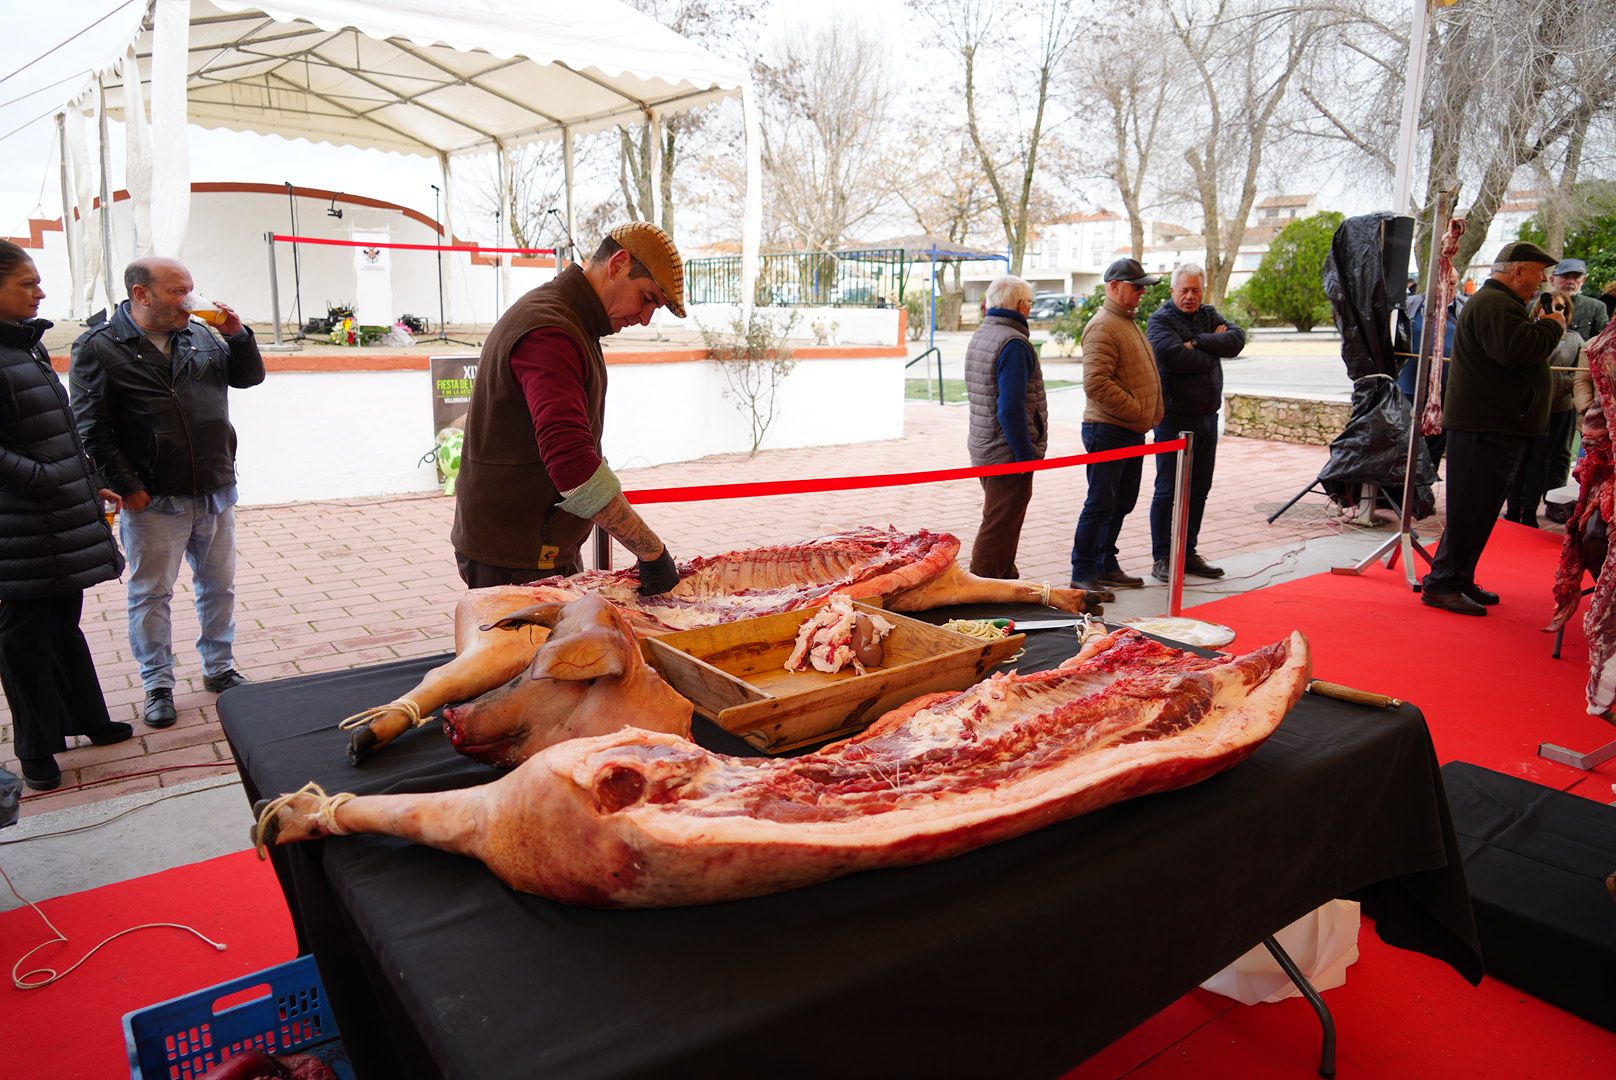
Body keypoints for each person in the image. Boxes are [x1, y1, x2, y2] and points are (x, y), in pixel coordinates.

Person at [71, 257, 265, 727]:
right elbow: (91, 427)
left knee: (218, 586)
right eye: (178, 291)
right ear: (142, 294)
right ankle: (157, 682)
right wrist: (127, 487)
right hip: (154, 497)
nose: (190, 300)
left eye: (190, 289)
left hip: (215, 485)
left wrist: (238, 335)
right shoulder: (99, 347)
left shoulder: (199, 333)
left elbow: (247, 377)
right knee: (151, 594)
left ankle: (219, 668)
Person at [451, 223, 686, 594]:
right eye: (648, 299)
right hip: (516, 557)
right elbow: (573, 463)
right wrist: (652, 552)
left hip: (537, 547)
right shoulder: (551, 330)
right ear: (619, 264)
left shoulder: (572, 321)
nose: (645, 318)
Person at [0, 241, 130, 790]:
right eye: (27, 283)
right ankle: (35, 748)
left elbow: (53, 429)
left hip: (56, 514)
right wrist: (46, 478)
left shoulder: (23, 345)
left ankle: (87, 719)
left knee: (61, 623)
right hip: (19, 524)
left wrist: (86, 477)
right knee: (20, 637)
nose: (41, 291)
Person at [1421, 241, 1565, 616]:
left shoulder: (1500, 303)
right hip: (1484, 426)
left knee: (1480, 509)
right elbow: (1516, 351)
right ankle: (1443, 583)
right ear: (1517, 271)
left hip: (1494, 424)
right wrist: (1552, 327)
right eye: (1539, 273)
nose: (1542, 282)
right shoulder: (1494, 303)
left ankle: (1459, 577)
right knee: (1471, 508)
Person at [1069, 258, 1164, 592]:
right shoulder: (1104, 325)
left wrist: (1141, 415)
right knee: (1100, 503)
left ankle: (1105, 563)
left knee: (1121, 502)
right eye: (1136, 286)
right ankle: (1082, 571)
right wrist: (1138, 410)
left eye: (1143, 287)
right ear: (1114, 286)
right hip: (1108, 429)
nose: (1141, 292)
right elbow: (1096, 383)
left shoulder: (1124, 321)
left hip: (1127, 429)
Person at [1145, 263, 1244, 583]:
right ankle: (1162, 557)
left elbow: (1237, 340)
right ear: (1173, 290)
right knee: (1168, 489)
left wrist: (1199, 342)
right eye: (1184, 290)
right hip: (1174, 418)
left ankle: (1187, 552)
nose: (1190, 296)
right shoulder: (1161, 320)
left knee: (1199, 489)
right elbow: (1174, 357)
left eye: (1196, 290)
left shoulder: (1208, 314)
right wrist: (1213, 347)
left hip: (1207, 418)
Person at [964, 274, 1046, 578]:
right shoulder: (1014, 343)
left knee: (1004, 519)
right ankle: (983, 585)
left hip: (985, 442)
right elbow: (1010, 407)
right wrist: (1025, 454)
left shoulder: (984, 333)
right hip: (1006, 450)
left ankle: (1005, 578)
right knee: (999, 523)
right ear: (1022, 305)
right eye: (1031, 304)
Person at [1504, 290, 1583, 527]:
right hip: (1526, 407)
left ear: (1567, 314)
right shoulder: (1530, 334)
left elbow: (1577, 374)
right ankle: (1512, 508)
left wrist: (1559, 384)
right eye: (1551, 306)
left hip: (1558, 408)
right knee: (1519, 459)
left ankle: (1530, 510)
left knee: (1542, 460)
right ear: (1538, 309)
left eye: (1561, 308)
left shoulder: (1575, 339)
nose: (1555, 311)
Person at [1395, 290, 1465, 469]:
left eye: (1453, 283)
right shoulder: (1411, 306)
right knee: (1406, 442)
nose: (1449, 287)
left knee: (1434, 444)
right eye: (1446, 281)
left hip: (1444, 391)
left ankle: (1424, 486)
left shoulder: (1462, 309)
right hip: (1410, 388)